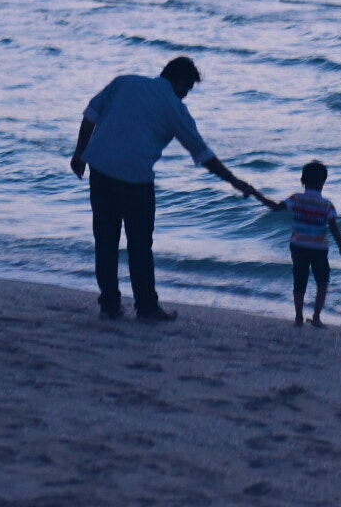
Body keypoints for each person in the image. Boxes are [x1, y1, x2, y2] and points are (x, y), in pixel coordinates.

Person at [70, 57, 258, 322]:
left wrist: (79, 154)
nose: (185, 96)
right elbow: (202, 154)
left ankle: (109, 305)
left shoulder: (124, 82)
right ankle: (146, 307)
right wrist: (234, 181)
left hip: (100, 170)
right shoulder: (174, 108)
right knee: (140, 246)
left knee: (106, 240)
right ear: (180, 83)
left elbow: (90, 116)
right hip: (135, 179)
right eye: (187, 89)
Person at [262, 160, 341, 327]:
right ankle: (316, 317)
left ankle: (298, 317)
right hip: (319, 249)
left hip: (298, 246)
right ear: (324, 182)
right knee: (322, 282)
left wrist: (257, 195)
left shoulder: (295, 198)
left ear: (302, 181)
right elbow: (334, 228)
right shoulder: (327, 205)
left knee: (299, 280)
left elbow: (276, 207)